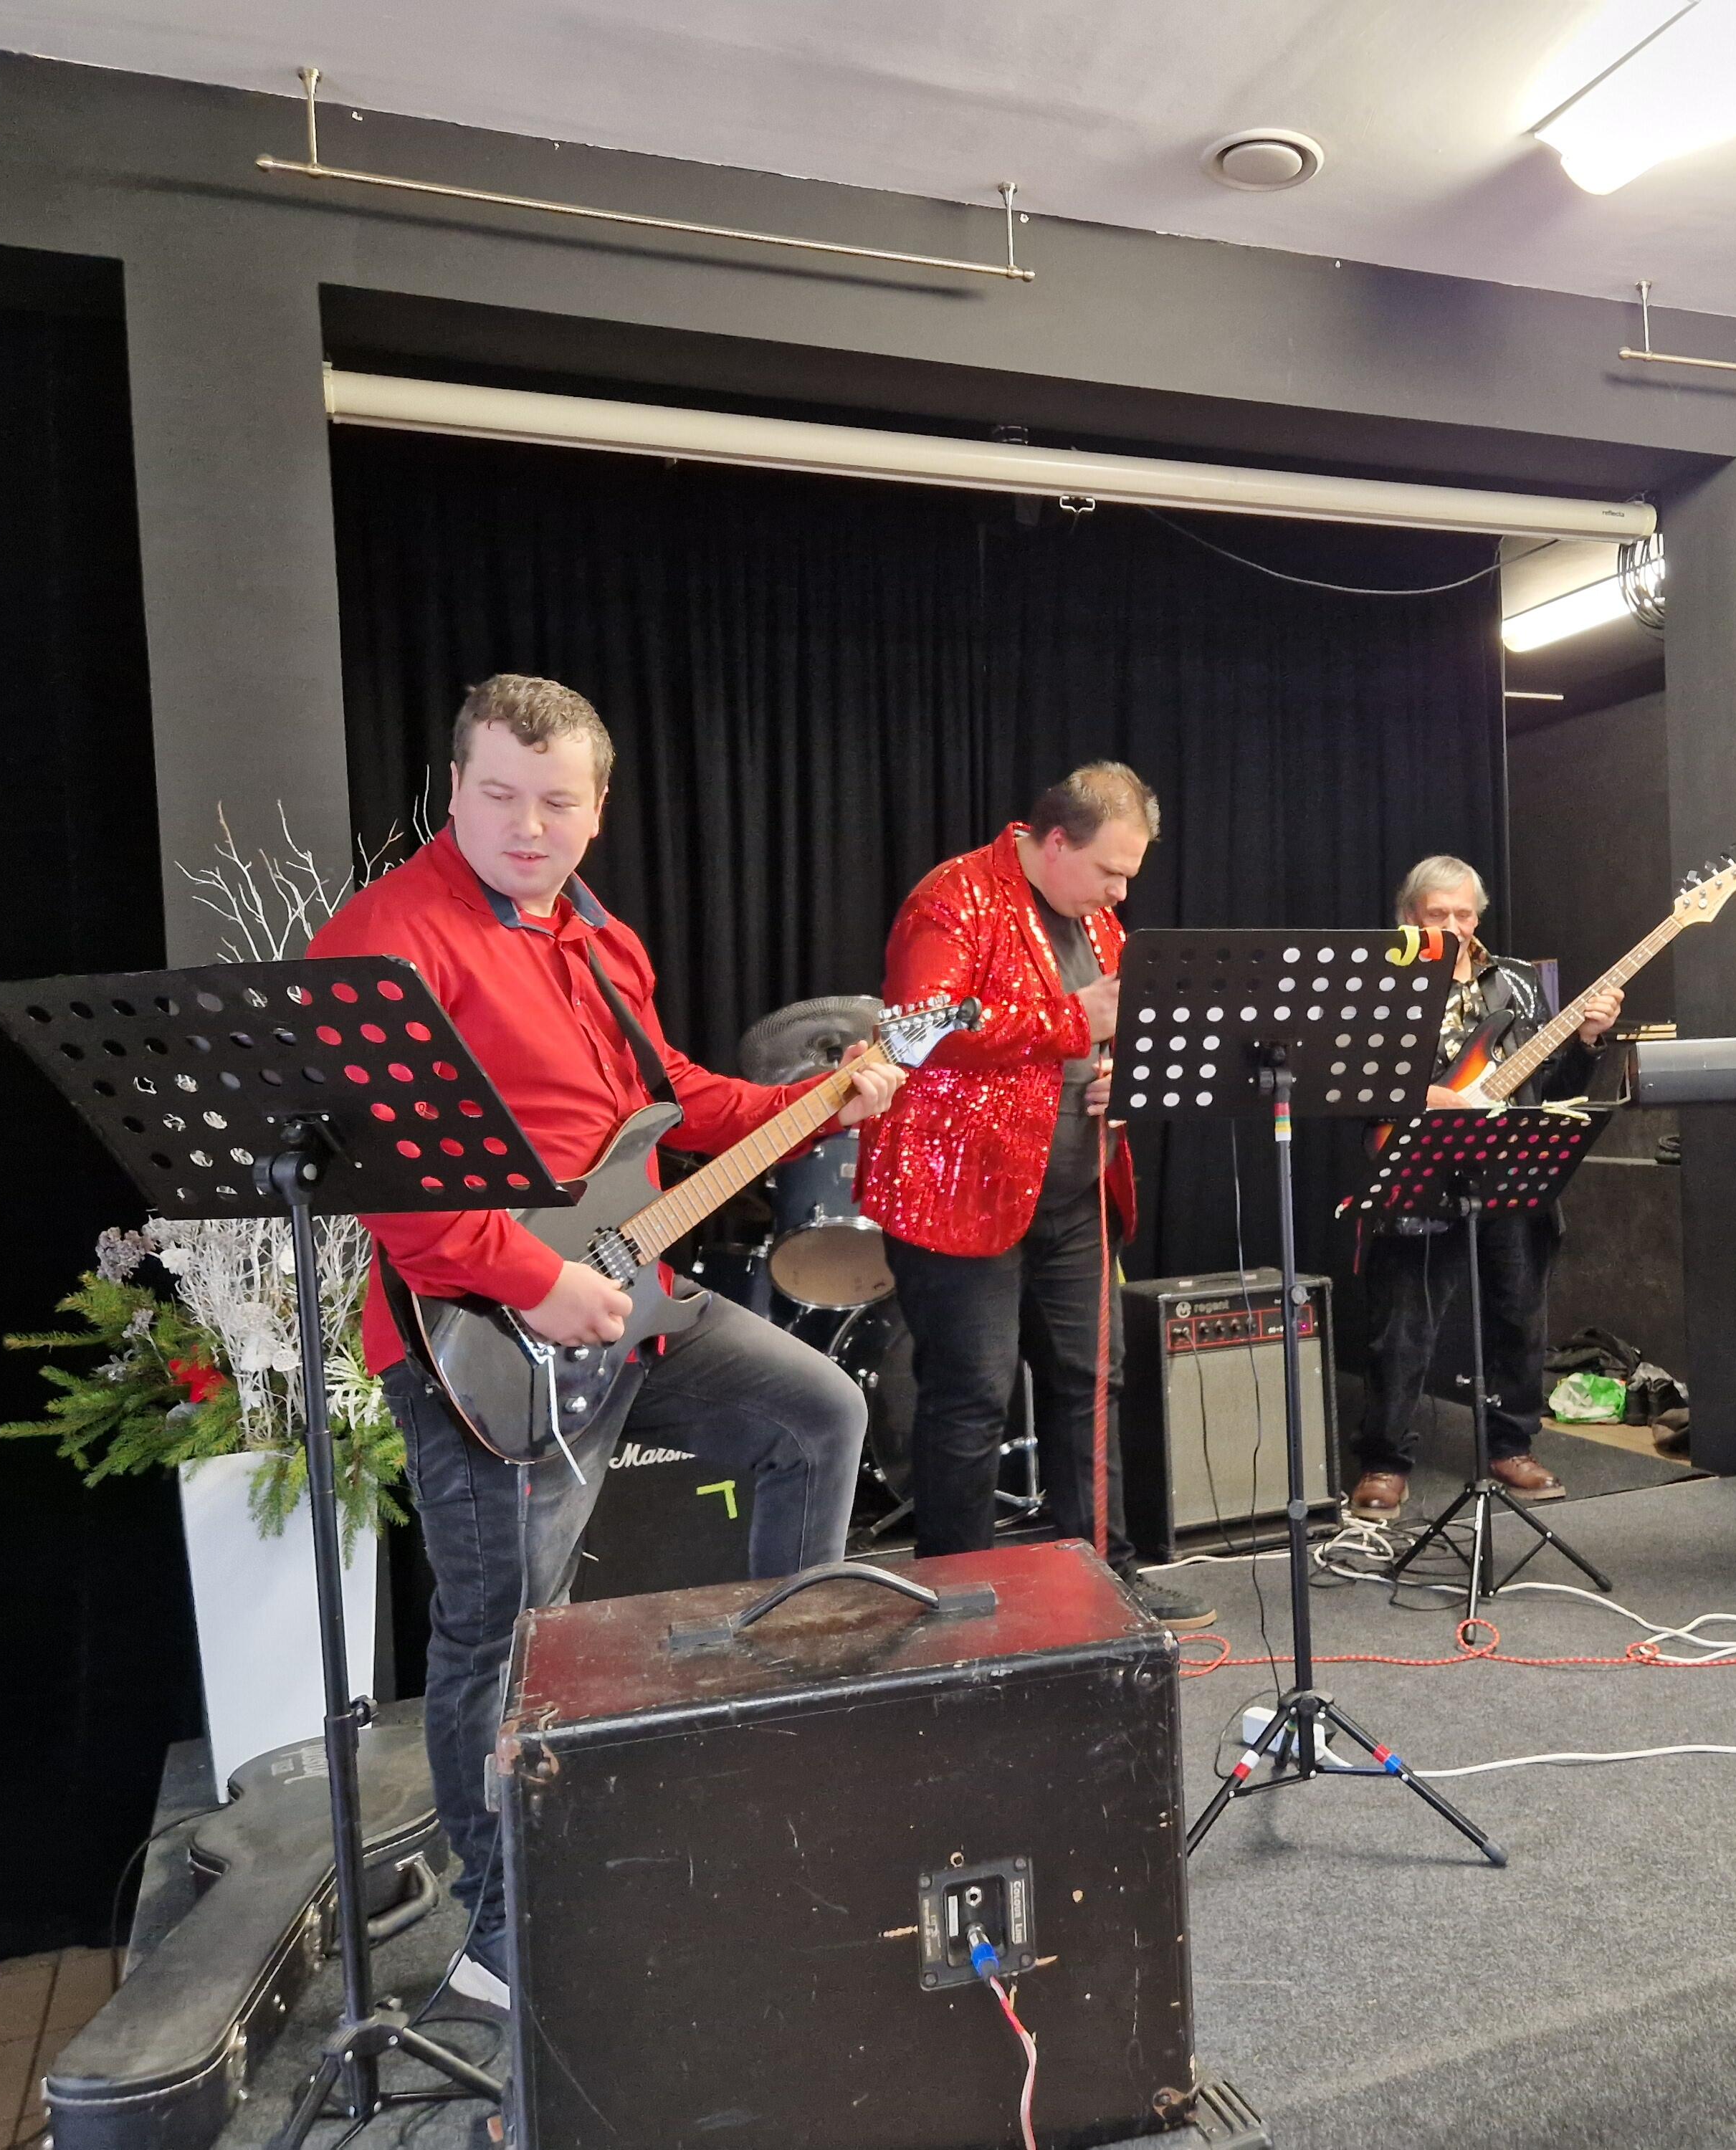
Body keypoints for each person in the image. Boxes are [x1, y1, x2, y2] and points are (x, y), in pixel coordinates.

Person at [313, 674, 900, 2013]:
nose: (527, 827)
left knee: (818, 1415)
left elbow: (667, 1098)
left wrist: (821, 1102)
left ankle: (772, 1732)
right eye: (499, 796)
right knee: (501, 1634)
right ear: (452, 790)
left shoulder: (597, 934)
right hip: (473, 1337)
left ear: (598, 808)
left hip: (629, 1296)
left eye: (557, 803)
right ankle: (497, 1932)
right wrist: (533, 1280)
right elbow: (387, 1180)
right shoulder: (382, 942)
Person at [856, 764, 1213, 1630]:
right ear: (1055, 842)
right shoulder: (953, 897)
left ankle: (1104, 1578)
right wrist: (1073, 1022)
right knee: (970, 1398)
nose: (1121, 891)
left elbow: (1110, 1031)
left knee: (1091, 1386)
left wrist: (1124, 1077)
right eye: (1110, 871)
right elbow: (916, 1030)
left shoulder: (1096, 917)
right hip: (959, 1191)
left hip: (1074, 1189)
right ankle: (954, 1600)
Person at [1345, 856, 1621, 1525]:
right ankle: (1385, 1462)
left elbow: (1553, 1089)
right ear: (1409, 917)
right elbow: (1357, 1083)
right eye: (1437, 914)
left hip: (1509, 1168)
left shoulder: (1518, 984)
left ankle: (1511, 1445)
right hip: (1419, 1166)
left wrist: (1587, 1040)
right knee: (1403, 1329)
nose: (1454, 926)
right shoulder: (1384, 984)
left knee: (1519, 1317)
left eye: (1464, 914)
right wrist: (1436, 1098)